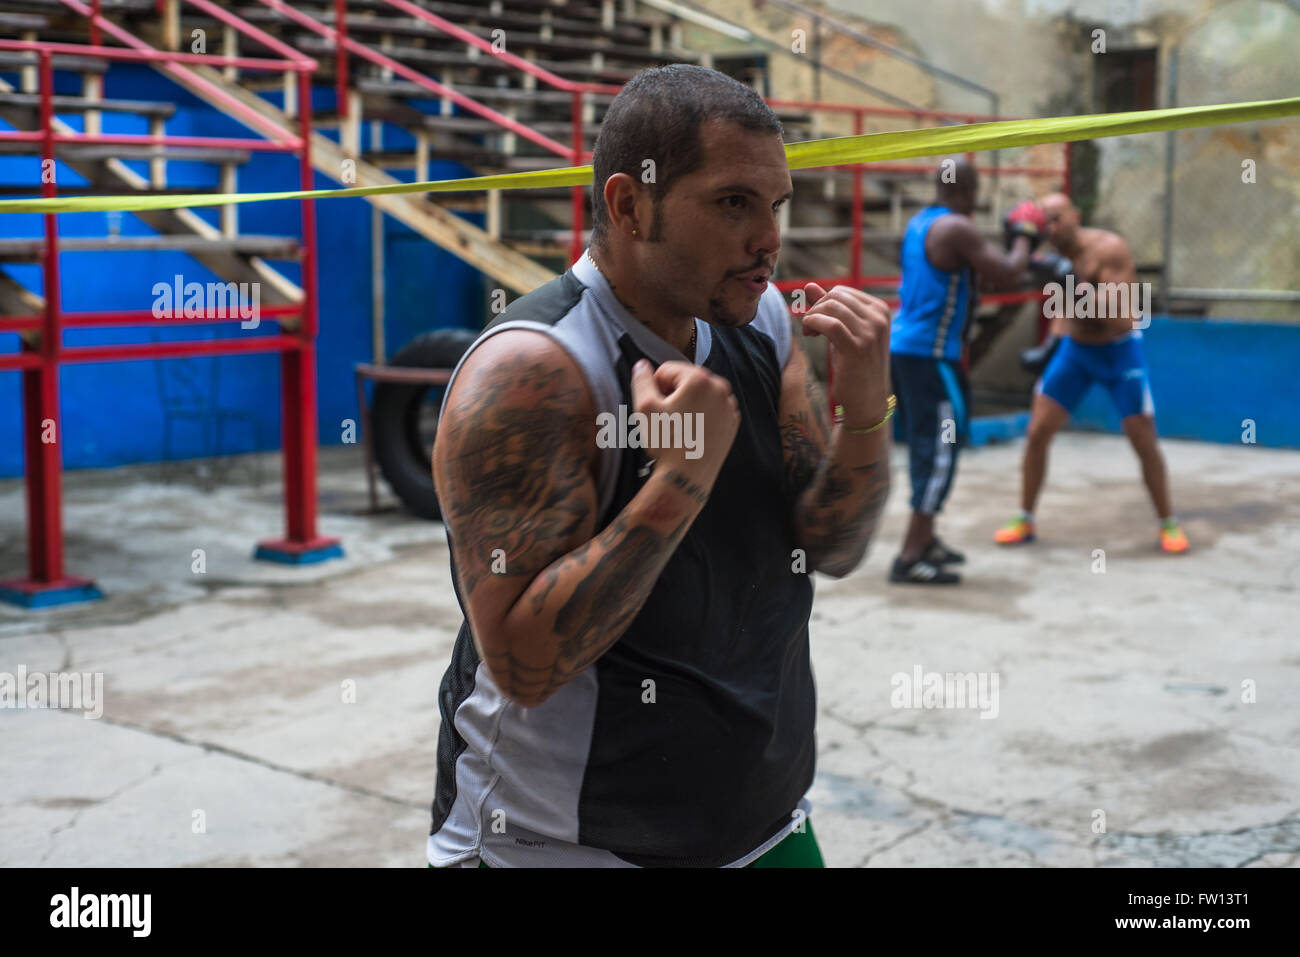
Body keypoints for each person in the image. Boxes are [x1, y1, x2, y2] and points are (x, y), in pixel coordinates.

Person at [426, 64, 894, 868]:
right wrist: (678, 482)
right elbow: (523, 664)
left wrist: (864, 412)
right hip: (563, 843)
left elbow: (831, 544)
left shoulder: (764, 320)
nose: (769, 239)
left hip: (762, 823)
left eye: (774, 204)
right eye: (733, 203)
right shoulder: (531, 372)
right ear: (629, 204)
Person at [994, 193, 1189, 553]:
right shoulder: (1052, 256)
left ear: (1076, 216)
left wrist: (1070, 284)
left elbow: (1118, 315)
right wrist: (1049, 347)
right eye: (1045, 220)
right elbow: (1062, 307)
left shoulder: (1109, 249)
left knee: (1142, 440)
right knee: (1037, 432)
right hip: (1076, 353)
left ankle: (1168, 522)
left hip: (1118, 353)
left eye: (1057, 218)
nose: (1051, 227)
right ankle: (1025, 517)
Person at [887, 158, 1040, 584]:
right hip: (930, 356)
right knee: (939, 450)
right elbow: (1010, 272)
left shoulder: (922, 222)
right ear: (969, 190)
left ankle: (927, 539)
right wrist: (1024, 234)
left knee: (931, 445)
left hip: (913, 351)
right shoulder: (957, 227)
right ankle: (910, 555)